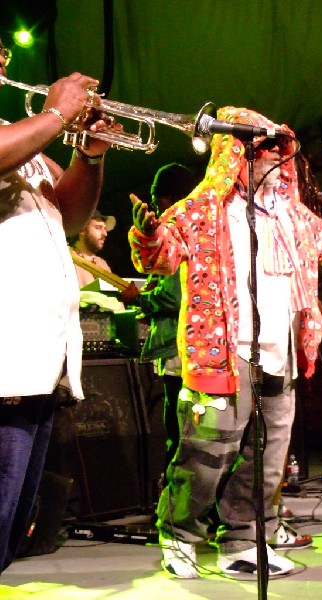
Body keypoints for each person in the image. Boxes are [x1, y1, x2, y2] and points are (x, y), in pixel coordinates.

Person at [128, 106, 322, 579]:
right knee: (207, 454)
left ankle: (243, 539)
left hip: (281, 353)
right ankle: (179, 534)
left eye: (278, 150)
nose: (273, 159)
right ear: (235, 154)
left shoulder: (292, 216)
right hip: (224, 352)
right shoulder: (201, 210)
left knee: (267, 457)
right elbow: (161, 259)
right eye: (261, 150)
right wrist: (149, 234)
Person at [0, 37, 119, 574]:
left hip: (35, 370)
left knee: (9, 531)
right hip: (5, 367)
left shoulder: (24, 150)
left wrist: (87, 153)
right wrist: (55, 114)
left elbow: (67, 215)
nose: (2, 66)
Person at [139, 163, 198, 472]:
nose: (153, 204)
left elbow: (175, 296)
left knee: (178, 433)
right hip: (189, 350)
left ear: (169, 198)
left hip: (180, 351)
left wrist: (141, 299)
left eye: (156, 197)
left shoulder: (178, 230)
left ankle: (178, 505)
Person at [70, 209, 117, 288]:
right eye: (98, 227)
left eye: (105, 229)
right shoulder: (67, 259)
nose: (105, 234)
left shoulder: (102, 263)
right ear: (82, 230)